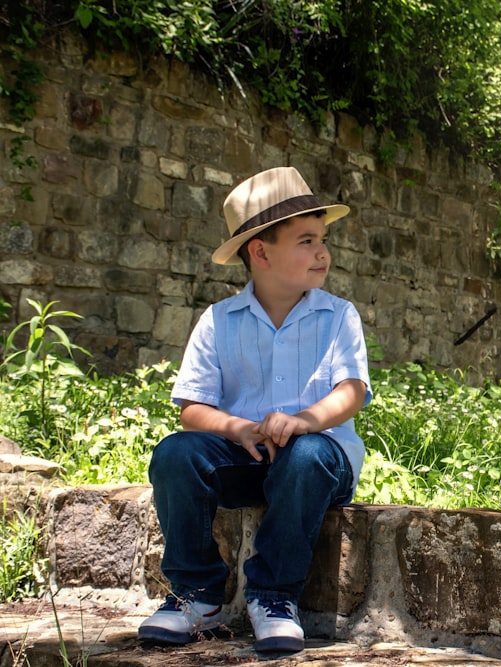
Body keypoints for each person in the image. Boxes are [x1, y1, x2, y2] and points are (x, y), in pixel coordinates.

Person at [137, 166, 371, 653]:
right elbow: (192, 409)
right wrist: (236, 427)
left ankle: (273, 596)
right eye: (306, 241)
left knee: (304, 456)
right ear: (260, 252)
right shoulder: (220, 320)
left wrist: (306, 421)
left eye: (323, 240)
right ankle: (195, 594)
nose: (322, 252)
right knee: (176, 455)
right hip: (247, 459)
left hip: (319, 463)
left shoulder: (338, 315)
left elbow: (352, 390)